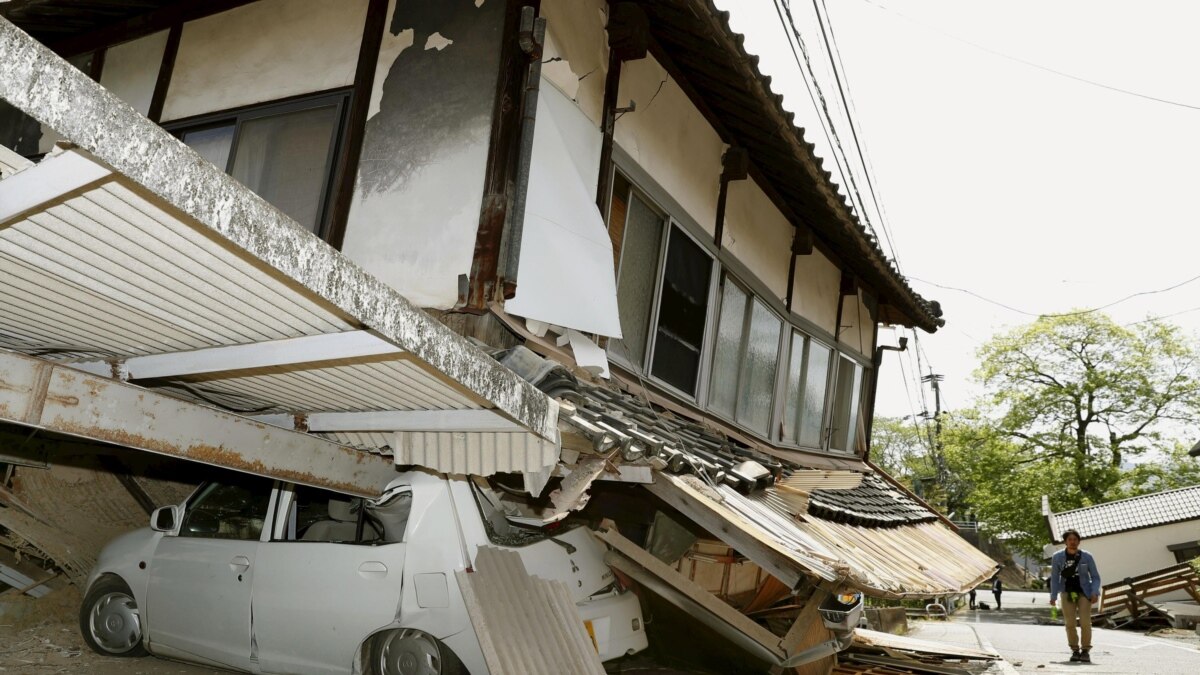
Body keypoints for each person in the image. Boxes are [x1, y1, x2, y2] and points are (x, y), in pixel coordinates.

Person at [1049, 529, 1101, 663]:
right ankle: (1074, 650)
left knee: (1085, 622)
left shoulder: (1087, 556)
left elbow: (1095, 576)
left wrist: (1095, 591)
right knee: (1070, 623)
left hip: (1084, 592)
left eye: (1075, 540)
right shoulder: (1057, 557)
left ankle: (1085, 650)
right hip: (1067, 591)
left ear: (1079, 541)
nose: (1072, 542)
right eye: (1070, 540)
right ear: (1065, 542)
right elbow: (1054, 577)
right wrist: (1053, 596)